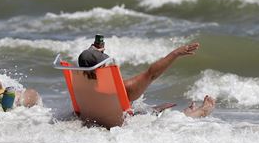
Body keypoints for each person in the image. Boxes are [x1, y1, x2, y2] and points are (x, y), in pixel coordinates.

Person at [78, 35, 215, 118]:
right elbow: (151, 74)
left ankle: (181, 112)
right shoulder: (123, 90)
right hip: (125, 126)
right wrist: (175, 53)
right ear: (102, 68)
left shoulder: (80, 86)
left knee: (156, 108)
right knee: (169, 117)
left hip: (98, 119)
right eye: (105, 63)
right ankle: (201, 112)